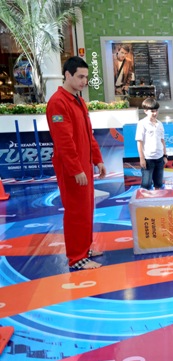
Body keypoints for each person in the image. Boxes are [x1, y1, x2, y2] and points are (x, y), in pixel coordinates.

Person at [46, 56, 107, 270]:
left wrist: (98, 160)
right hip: (72, 167)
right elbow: (63, 141)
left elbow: (88, 135)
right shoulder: (58, 103)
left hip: (84, 164)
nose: (84, 81)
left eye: (86, 77)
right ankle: (76, 257)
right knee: (76, 211)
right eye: (80, 77)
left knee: (87, 208)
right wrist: (75, 168)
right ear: (67, 75)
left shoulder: (79, 101)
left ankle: (85, 248)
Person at [135, 98, 168, 189]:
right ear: (145, 111)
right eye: (152, 111)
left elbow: (162, 140)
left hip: (159, 158)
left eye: (156, 111)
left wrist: (165, 155)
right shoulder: (142, 123)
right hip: (148, 159)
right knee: (146, 185)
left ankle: (157, 202)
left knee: (158, 184)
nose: (155, 113)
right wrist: (142, 159)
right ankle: (145, 202)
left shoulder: (160, 124)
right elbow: (139, 142)